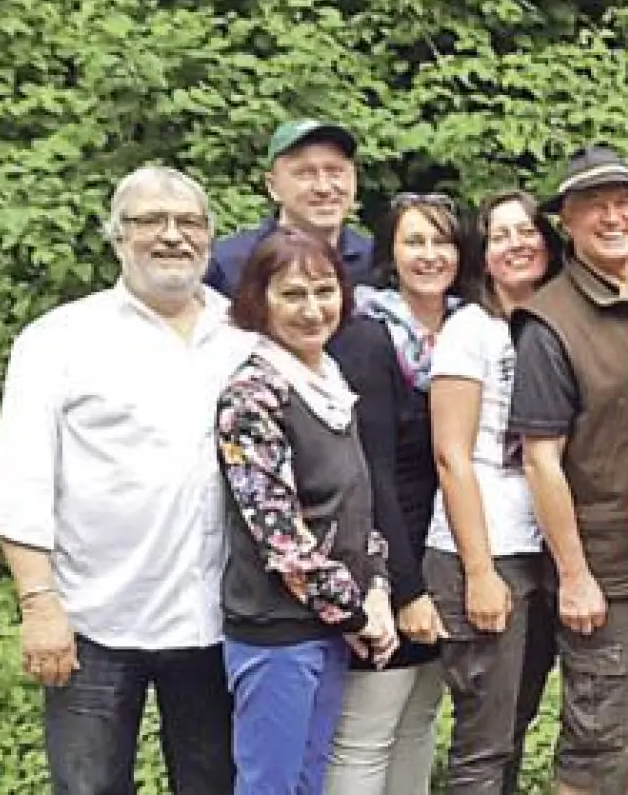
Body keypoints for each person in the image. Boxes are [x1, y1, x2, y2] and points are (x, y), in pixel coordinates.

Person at [0, 166, 251, 794]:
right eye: (149, 221)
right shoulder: (59, 340)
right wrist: (38, 603)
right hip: (94, 621)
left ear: (210, 238)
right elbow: (21, 482)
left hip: (216, 618)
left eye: (189, 222)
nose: (171, 236)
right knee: (89, 787)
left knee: (214, 784)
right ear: (116, 236)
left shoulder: (245, 333)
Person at [506, 145, 628, 795]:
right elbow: (541, 460)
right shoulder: (548, 325)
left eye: (623, 203)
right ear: (567, 223)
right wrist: (576, 575)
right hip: (606, 576)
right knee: (594, 754)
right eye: (594, 207)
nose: (613, 217)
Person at [215, 227, 399, 794]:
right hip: (277, 632)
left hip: (326, 626)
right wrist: (356, 612)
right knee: (271, 786)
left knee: (307, 784)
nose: (312, 309)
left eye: (324, 291)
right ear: (257, 301)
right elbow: (281, 537)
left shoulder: (328, 382)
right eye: (293, 294)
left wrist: (377, 589)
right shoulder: (252, 396)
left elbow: (354, 504)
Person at [324, 193, 466, 794]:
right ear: (390, 253)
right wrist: (404, 589)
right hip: (387, 562)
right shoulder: (366, 336)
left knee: (419, 722)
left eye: (442, 242)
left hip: (445, 555)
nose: (429, 256)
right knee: (366, 733)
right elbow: (369, 471)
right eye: (415, 242)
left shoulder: (468, 328)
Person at [425, 188, 563, 793]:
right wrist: (480, 571)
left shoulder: (558, 324)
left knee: (515, 724)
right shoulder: (469, 330)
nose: (517, 244)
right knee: (483, 742)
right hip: (482, 548)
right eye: (501, 235)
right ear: (483, 254)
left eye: (527, 230)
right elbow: (452, 455)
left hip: (541, 547)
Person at [206, 119, 372, 296]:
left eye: (335, 172)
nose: (323, 187)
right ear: (272, 186)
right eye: (305, 174)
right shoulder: (228, 263)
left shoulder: (378, 261)